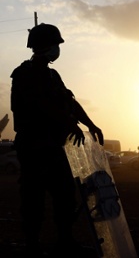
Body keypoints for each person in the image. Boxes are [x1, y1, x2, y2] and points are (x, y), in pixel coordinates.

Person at [10, 23, 104, 257]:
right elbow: (41, 105)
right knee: (34, 199)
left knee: (65, 196)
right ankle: (32, 246)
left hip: (56, 148)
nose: (57, 49)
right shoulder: (24, 74)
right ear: (44, 46)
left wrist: (89, 124)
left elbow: (69, 102)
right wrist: (69, 123)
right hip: (34, 148)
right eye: (55, 45)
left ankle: (65, 242)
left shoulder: (53, 75)